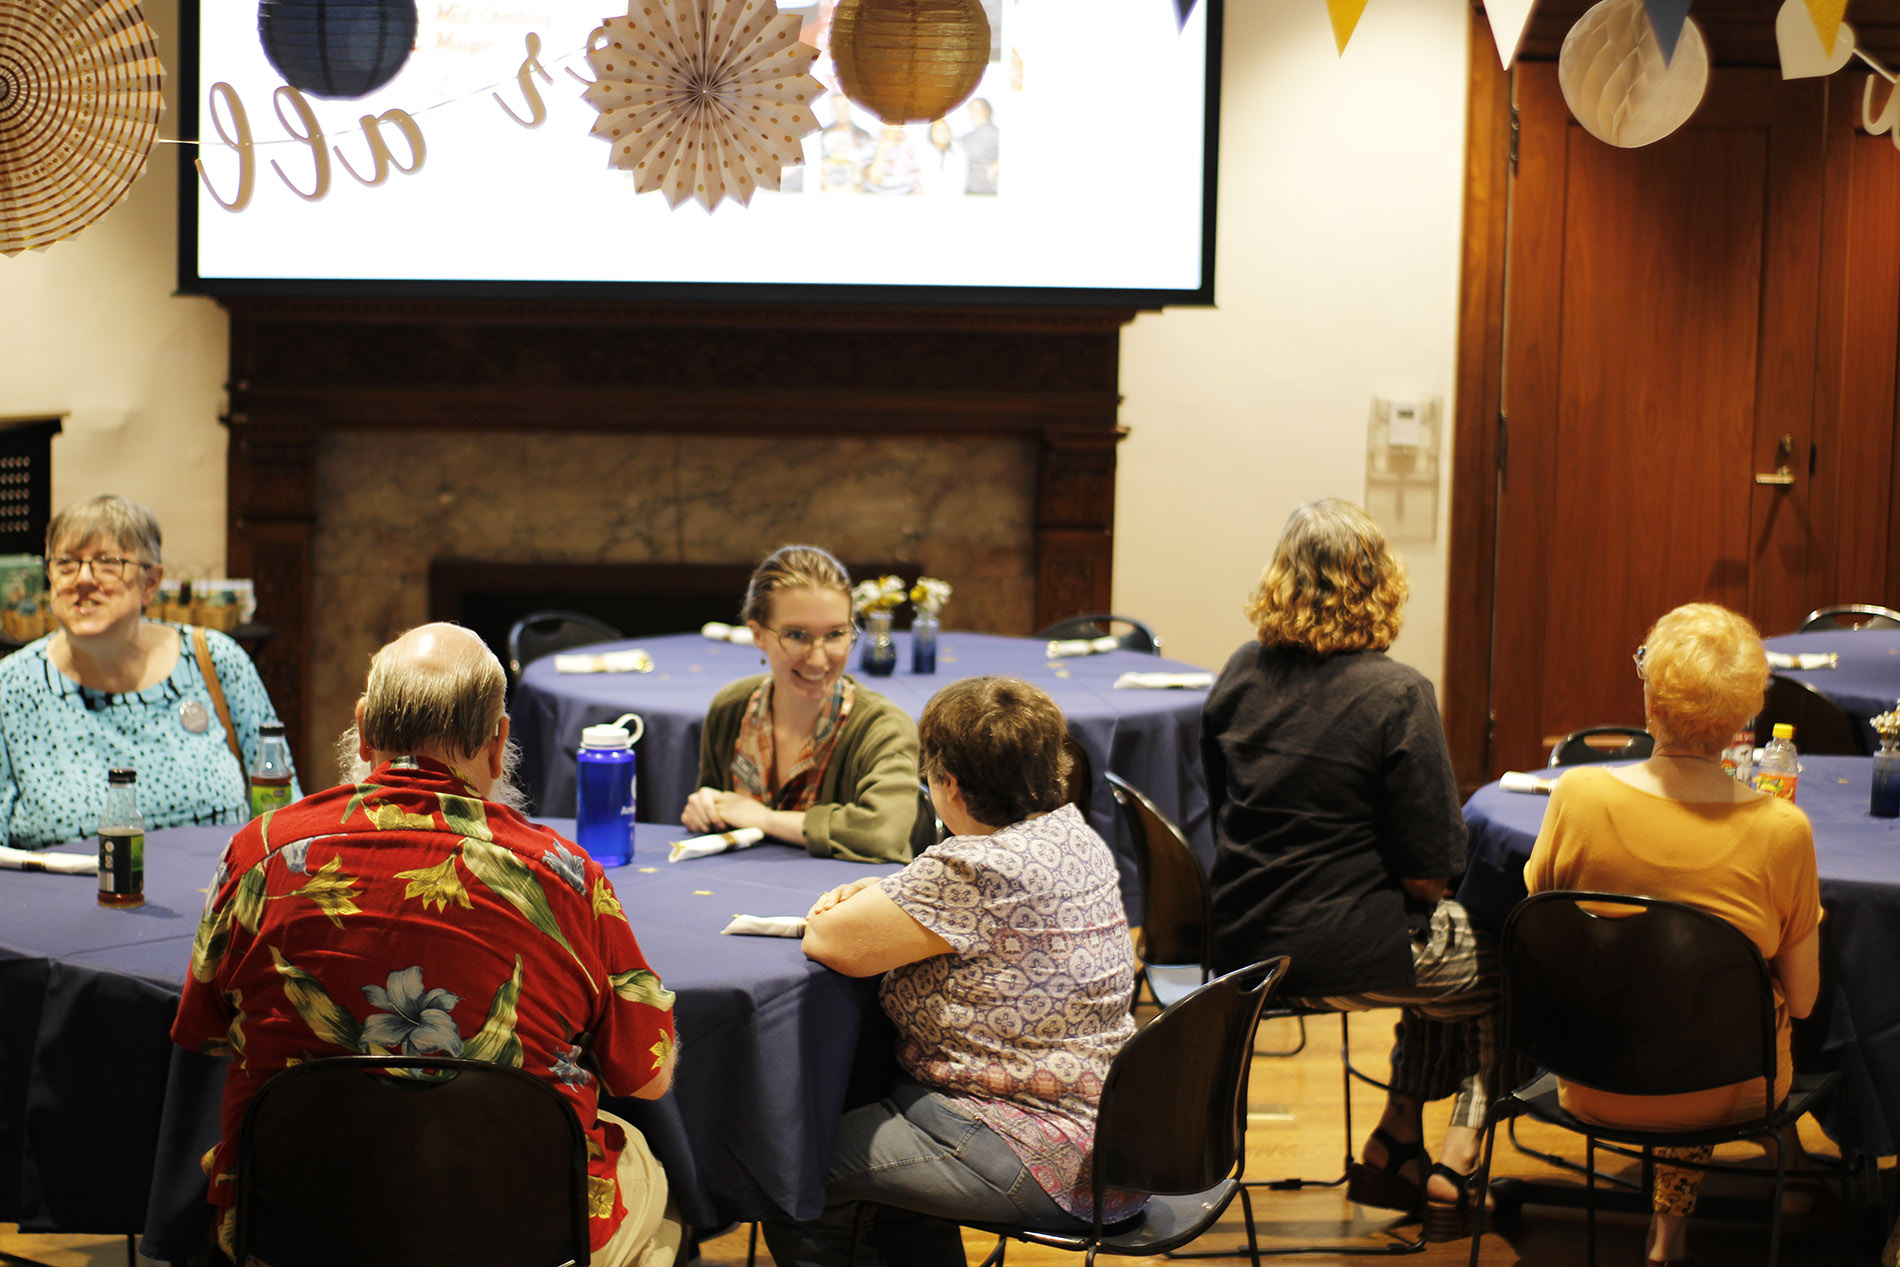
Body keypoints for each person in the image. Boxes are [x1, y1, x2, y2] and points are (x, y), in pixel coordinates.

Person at [172, 623, 679, 1266]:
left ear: (362, 729)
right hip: (514, 1235)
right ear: (498, 742)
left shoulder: (260, 853)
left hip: (293, 1229)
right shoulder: (564, 875)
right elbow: (650, 1075)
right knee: (650, 1177)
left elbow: (205, 1029)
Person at [762, 675, 1140, 1266]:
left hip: (1031, 1149)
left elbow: (830, 941)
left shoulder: (970, 868)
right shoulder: (1073, 836)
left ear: (949, 785)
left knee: (792, 1171)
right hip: (1117, 1134)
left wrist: (872, 902)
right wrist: (899, 893)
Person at [1202, 497, 1494, 1240]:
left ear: (1281, 580)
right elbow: (1430, 873)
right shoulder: (1397, 693)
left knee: (1432, 944)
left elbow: (1221, 807)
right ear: (1381, 584)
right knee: (1499, 957)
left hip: (1243, 946)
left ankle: (1397, 1142)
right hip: (1341, 954)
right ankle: (1458, 1156)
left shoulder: (1239, 672)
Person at [1525, 603, 1822, 1267]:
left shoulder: (1576, 797)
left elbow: (1544, 935)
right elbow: (1803, 1000)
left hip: (1590, 1076)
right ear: (1744, 718)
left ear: (1650, 697)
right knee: (1712, 1016)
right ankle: (1821, 1185)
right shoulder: (1783, 830)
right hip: (1728, 1089)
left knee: (1656, 1003)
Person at [0, 495, 295, 849]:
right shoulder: (12, 687)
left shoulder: (215, 661)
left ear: (150, 583)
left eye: (107, 563)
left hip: (220, 901)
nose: (83, 579)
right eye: (66, 563)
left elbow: (284, 809)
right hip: (58, 902)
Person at [681, 544, 919, 863]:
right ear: (758, 635)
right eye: (797, 635)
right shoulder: (732, 708)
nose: (818, 659)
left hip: (841, 905)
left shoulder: (883, 727)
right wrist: (706, 809)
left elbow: (882, 834)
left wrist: (764, 819)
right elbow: (719, 820)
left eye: (836, 634)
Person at [959, 97, 999, 195]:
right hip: (970, 190)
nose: (972, 114)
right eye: (971, 110)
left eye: (976, 110)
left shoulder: (994, 133)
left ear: (987, 112)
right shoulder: (970, 136)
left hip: (986, 193)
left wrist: (998, 164)